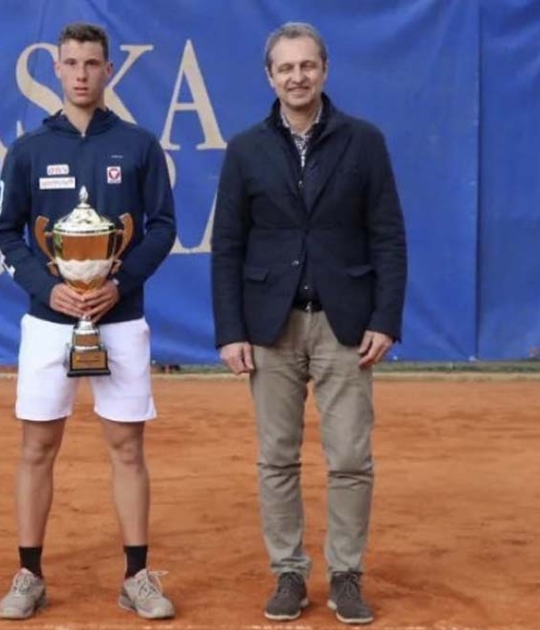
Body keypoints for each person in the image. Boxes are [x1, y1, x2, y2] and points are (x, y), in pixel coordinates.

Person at [211, 22, 407, 626]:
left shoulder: (364, 141)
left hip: (346, 326)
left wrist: (386, 318)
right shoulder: (245, 149)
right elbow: (228, 246)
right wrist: (230, 330)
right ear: (269, 77)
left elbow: (389, 237)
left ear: (324, 71)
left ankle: (346, 576)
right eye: (285, 68)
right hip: (270, 326)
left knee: (350, 457)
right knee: (277, 458)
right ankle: (289, 574)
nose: (297, 77)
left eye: (307, 66)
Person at [0, 22, 177, 621]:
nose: (80, 74)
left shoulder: (139, 145)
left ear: (109, 70)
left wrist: (118, 284)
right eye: (70, 63)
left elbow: (163, 226)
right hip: (49, 321)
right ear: (56, 70)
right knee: (37, 445)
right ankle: (28, 573)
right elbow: (5, 232)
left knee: (127, 446)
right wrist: (50, 289)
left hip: (119, 318)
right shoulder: (28, 149)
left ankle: (137, 576)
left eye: (92, 64)